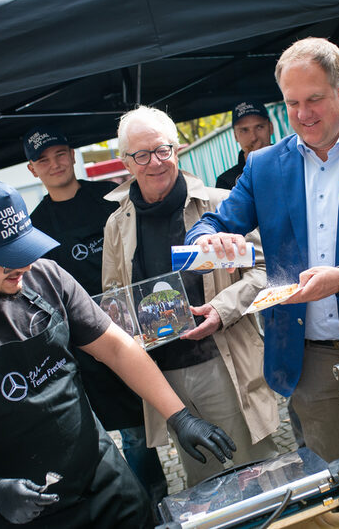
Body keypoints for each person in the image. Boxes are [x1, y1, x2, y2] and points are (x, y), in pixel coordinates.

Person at [0, 180, 235, 528]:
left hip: (101, 485)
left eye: (26, 250)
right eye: (8, 259)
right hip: (1, 512)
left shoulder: (45, 277)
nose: (25, 266)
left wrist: (180, 416)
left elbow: (115, 346)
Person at [186, 37, 339, 462]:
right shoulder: (263, 166)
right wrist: (206, 239)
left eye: (314, 99)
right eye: (291, 103)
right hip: (310, 360)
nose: (303, 115)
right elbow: (213, 225)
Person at [102, 105, 280, 487]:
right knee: (206, 484)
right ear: (126, 163)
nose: (155, 163)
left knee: (256, 475)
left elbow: (269, 271)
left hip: (223, 361)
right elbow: (113, 298)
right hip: (164, 378)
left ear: (177, 149)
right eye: (142, 155)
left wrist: (222, 308)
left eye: (162, 150)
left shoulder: (218, 204)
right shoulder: (117, 225)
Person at [23, 126, 167, 509]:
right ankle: (145, 506)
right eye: (43, 160)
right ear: (32, 170)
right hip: (84, 347)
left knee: (151, 424)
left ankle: (168, 499)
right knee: (123, 435)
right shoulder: (35, 227)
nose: (54, 164)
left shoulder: (112, 200)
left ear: (72, 156)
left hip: (136, 333)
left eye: (59, 154)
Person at [215, 101, 274, 190]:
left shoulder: (293, 162)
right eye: (244, 130)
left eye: (259, 127)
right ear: (235, 136)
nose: (253, 137)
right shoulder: (226, 182)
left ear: (271, 128)